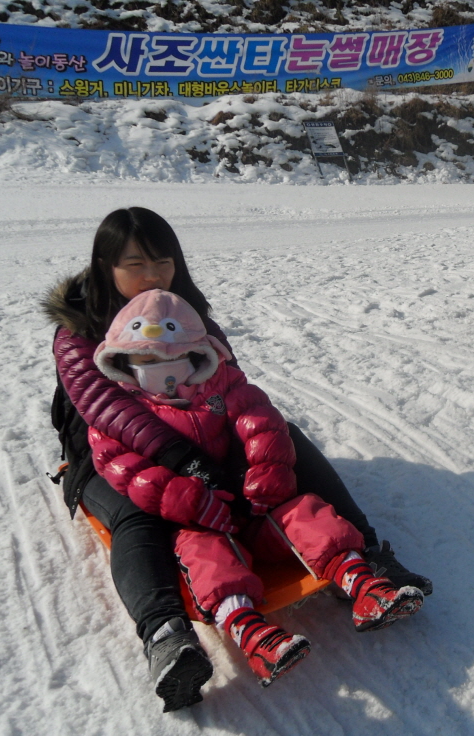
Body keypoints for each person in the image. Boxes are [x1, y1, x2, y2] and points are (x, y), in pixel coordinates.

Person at [44, 207, 431, 712]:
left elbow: (231, 387)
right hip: (108, 449)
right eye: (134, 263)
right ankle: (166, 634)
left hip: (197, 434)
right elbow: (106, 410)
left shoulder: (187, 312)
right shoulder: (78, 331)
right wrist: (183, 460)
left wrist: (251, 457)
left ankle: (369, 553)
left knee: (282, 437)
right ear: (104, 266)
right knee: (137, 511)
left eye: (162, 262)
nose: (151, 276)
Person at [88, 289, 423, 690]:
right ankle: (253, 636)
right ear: (125, 362)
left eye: (174, 359)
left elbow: (262, 422)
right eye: (147, 361)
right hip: (196, 519)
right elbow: (126, 469)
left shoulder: (221, 383)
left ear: (196, 353)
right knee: (203, 554)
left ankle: (363, 584)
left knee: (305, 511)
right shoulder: (121, 411)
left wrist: (266, 473)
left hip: (252, 506)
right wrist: (193, 501)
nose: (165, 373)